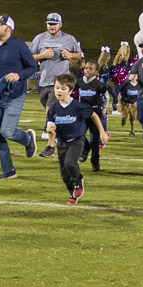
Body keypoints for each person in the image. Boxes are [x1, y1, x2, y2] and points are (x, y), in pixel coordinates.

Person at [0, 15, 37, 179]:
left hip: (14, 95)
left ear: (8, 28)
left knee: (7, 131)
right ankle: (9, 171)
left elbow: (33, 67)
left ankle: (28, 139)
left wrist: (19, 75)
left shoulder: (19, 46)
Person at [45, 72, 109, 204]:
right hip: (61, 143)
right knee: (64, 174)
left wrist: (102, 132)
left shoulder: (78, 107)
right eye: (57, 88)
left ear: (70, 90)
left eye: (63, 89)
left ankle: (78, 181)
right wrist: (49, 133)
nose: (59, 91)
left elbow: (94, 116)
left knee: (70, 163)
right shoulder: (53, 109)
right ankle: (73, 194)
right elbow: (50, 125)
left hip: (76, 141)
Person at [29, 12, 82, 128]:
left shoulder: (68, 38)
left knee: (50, 106)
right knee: (48, 105)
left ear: (60, 24)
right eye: (49, 24)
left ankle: (49, 129)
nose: (51, 26)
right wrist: (42, 55)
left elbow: (79, 54)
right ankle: (66, 123)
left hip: (60, 81)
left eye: (54, 24)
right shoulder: (39, 38)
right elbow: (29, 56)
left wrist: (70, 55)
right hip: (44, 80)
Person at [75, 59, 108, 171]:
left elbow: (106, 98)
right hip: (82, 114)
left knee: (94, 140)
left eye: (91, 69)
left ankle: (95, 162)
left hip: (95, 114)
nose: (87, 71)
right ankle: (85, 147)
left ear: (96, 72)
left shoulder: (99, 85)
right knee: (79, 134)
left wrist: (103, 111)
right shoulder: (79, 82)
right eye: (86, 68)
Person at [117, 70, 142, 136]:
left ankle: (132, 131)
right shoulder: (126, 85)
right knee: (124, 116)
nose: (133, 77)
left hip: (134, 104)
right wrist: (118, 102)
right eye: (132, 75)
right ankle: (123, 119)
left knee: (133, 118)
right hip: (126, 103)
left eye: (135, 75)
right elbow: (120, 94)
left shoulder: (139, 85)